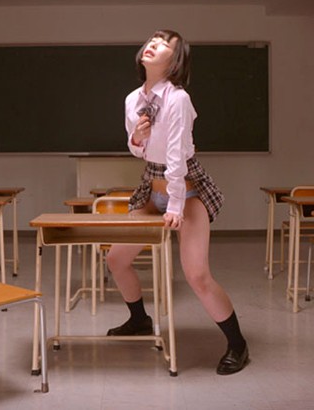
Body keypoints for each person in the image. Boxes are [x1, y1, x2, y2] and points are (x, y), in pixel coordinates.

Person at [105, 29, 248, 375]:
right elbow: (137, 149)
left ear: (175, 60)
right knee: (116, 259)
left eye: (163, 44)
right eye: (152, 40)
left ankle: (238, 344)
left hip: (185, 188)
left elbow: (176, 156)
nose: (153, 44)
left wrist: (174, 206)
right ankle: (139, 320)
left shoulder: (178, 99)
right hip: (151, 185)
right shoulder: (132, 99)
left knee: (197, 275)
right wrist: (137, 137)